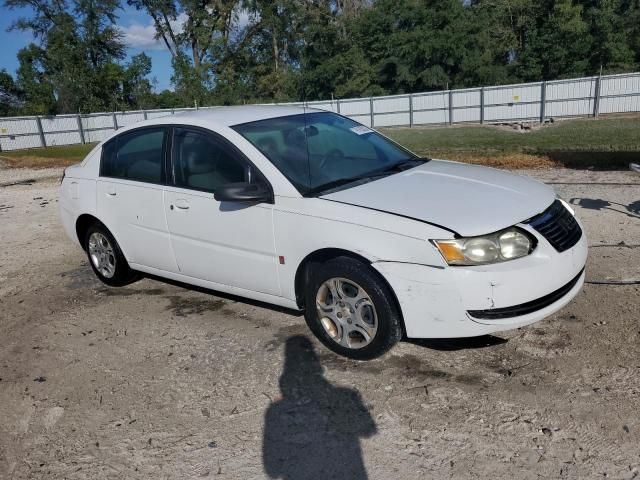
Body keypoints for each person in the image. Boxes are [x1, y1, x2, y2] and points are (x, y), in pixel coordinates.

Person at [263, 335, 377, 480]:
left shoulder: (277, 412)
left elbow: (272, 469)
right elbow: (368, 430)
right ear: (316, 364)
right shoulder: (344, 397)